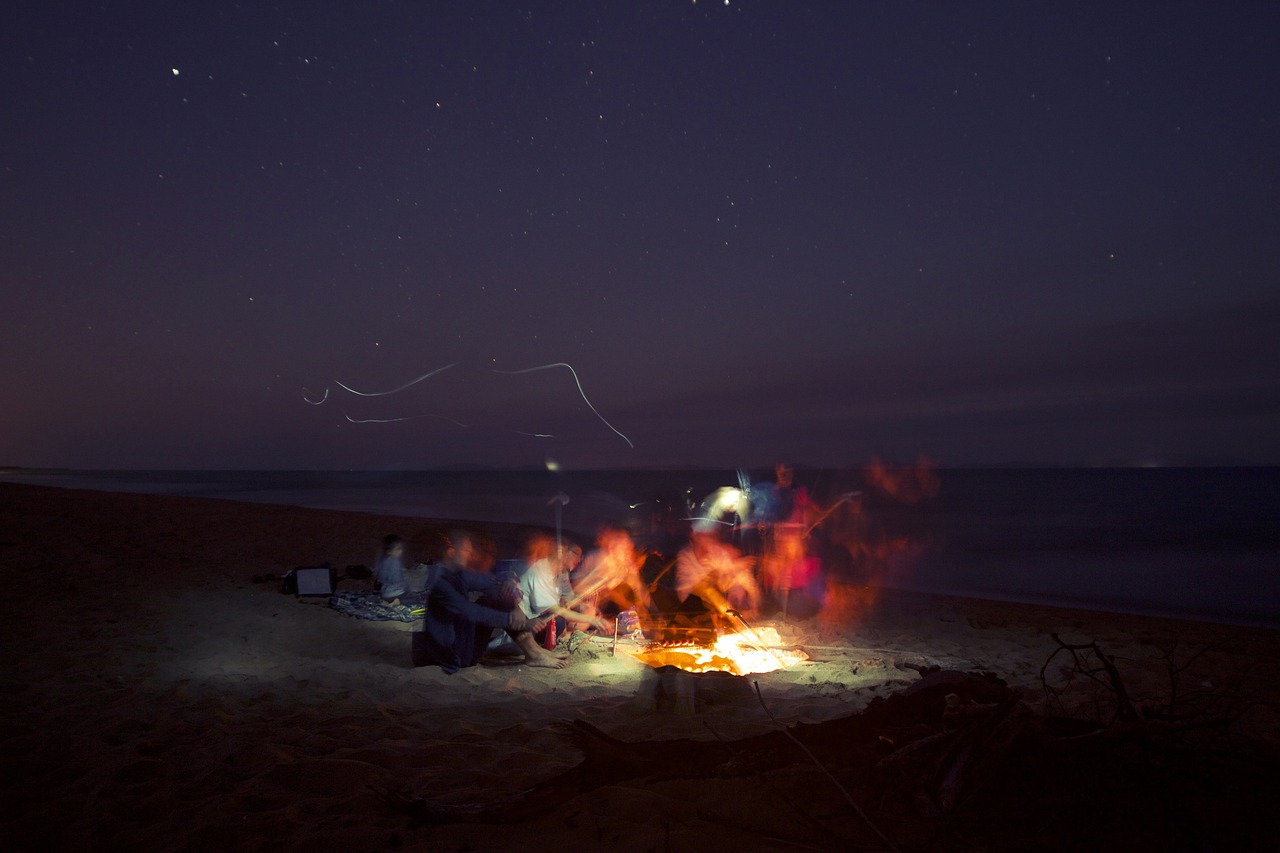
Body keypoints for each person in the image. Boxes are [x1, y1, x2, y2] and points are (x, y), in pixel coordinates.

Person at [414, 531, 566, 673]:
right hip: (452, 654)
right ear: (451, 552)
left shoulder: (457, 574)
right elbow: (474, 612)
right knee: (494, 602)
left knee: (498, 594)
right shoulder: (440, 582)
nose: (471, 554)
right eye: (466, 550)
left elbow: (493, 580)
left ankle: (535, 652)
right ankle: (534, 653)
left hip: (463, 638)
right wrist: (517, 621)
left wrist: (512, 588)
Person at [674, 526, 761, 618]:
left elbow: (741, 578)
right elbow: (687, 595)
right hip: (697, 619)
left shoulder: (720, 553)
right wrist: (713, 592)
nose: (711, 538)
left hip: (724, 617)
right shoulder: (686, 558)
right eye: (706, 534)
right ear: (695, 535)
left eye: (713, 534)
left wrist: (753, 605)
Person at [375, 534, 411, 605]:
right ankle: (397, 602)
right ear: (389, 551)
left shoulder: (383, 560)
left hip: (385, 593)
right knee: (413, 599)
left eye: (401, 549)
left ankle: (387, 601)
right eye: (398, 549)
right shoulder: (395, 562)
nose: (401, 551)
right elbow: (397, 579)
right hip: (396, 593)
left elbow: (379, 576)